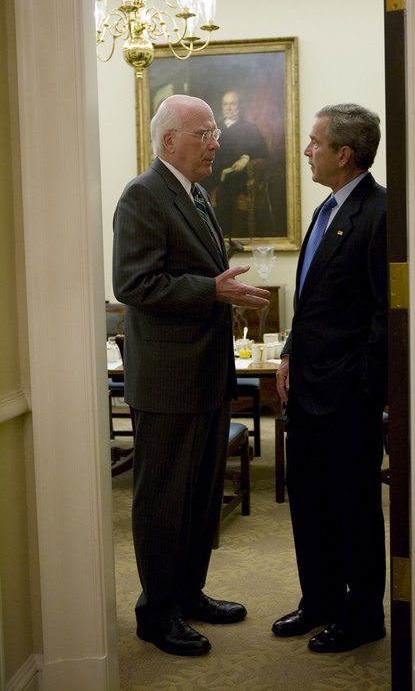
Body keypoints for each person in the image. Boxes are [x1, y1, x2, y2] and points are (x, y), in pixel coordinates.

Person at [112, 94, 270, 657]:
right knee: (163, 499)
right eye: (203, 133)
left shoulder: (196, 193)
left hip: (205, 373)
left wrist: (226, 292)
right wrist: (213, 290)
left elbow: (199, 275)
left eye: (213, 132)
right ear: (168, 141)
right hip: (168, 380)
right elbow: (133, 284)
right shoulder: (142, 195)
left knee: (201, 496)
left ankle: (189, 593)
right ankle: (156, 613)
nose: (216, 141)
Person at [271, 103, 388, 653]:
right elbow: (313, 303)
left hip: (346, 397)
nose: (306, 150)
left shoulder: (380, 212)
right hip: (307, 390)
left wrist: (361, 384)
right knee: (309, 503)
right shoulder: (325, 210)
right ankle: (317, 599)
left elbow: (385, 315)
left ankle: (362, 615)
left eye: (314, 142)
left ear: (345, 154)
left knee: (353, 509)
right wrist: (292, 350)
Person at [203, 90, 269, 237]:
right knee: (195, 189)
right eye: (225, 104)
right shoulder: (214, 128)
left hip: (237, 175)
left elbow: (264, 151)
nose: (229, 107)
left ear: (240, 106)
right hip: (213, 172)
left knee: (222, 192)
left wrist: (246, 157)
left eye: (233, 103)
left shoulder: (250, 128)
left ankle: (223, 235)